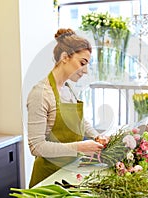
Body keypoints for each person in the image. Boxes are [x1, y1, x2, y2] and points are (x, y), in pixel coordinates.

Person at [27, 28, 108, 188]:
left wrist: (96, 136)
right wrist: (80, 147)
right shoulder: (41, 94)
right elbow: (36, 147)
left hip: (69, 172)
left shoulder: (68, 88)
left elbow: (80, 122)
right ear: (65, 57)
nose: (85, 71)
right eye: (82, 63)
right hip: (48, 177)